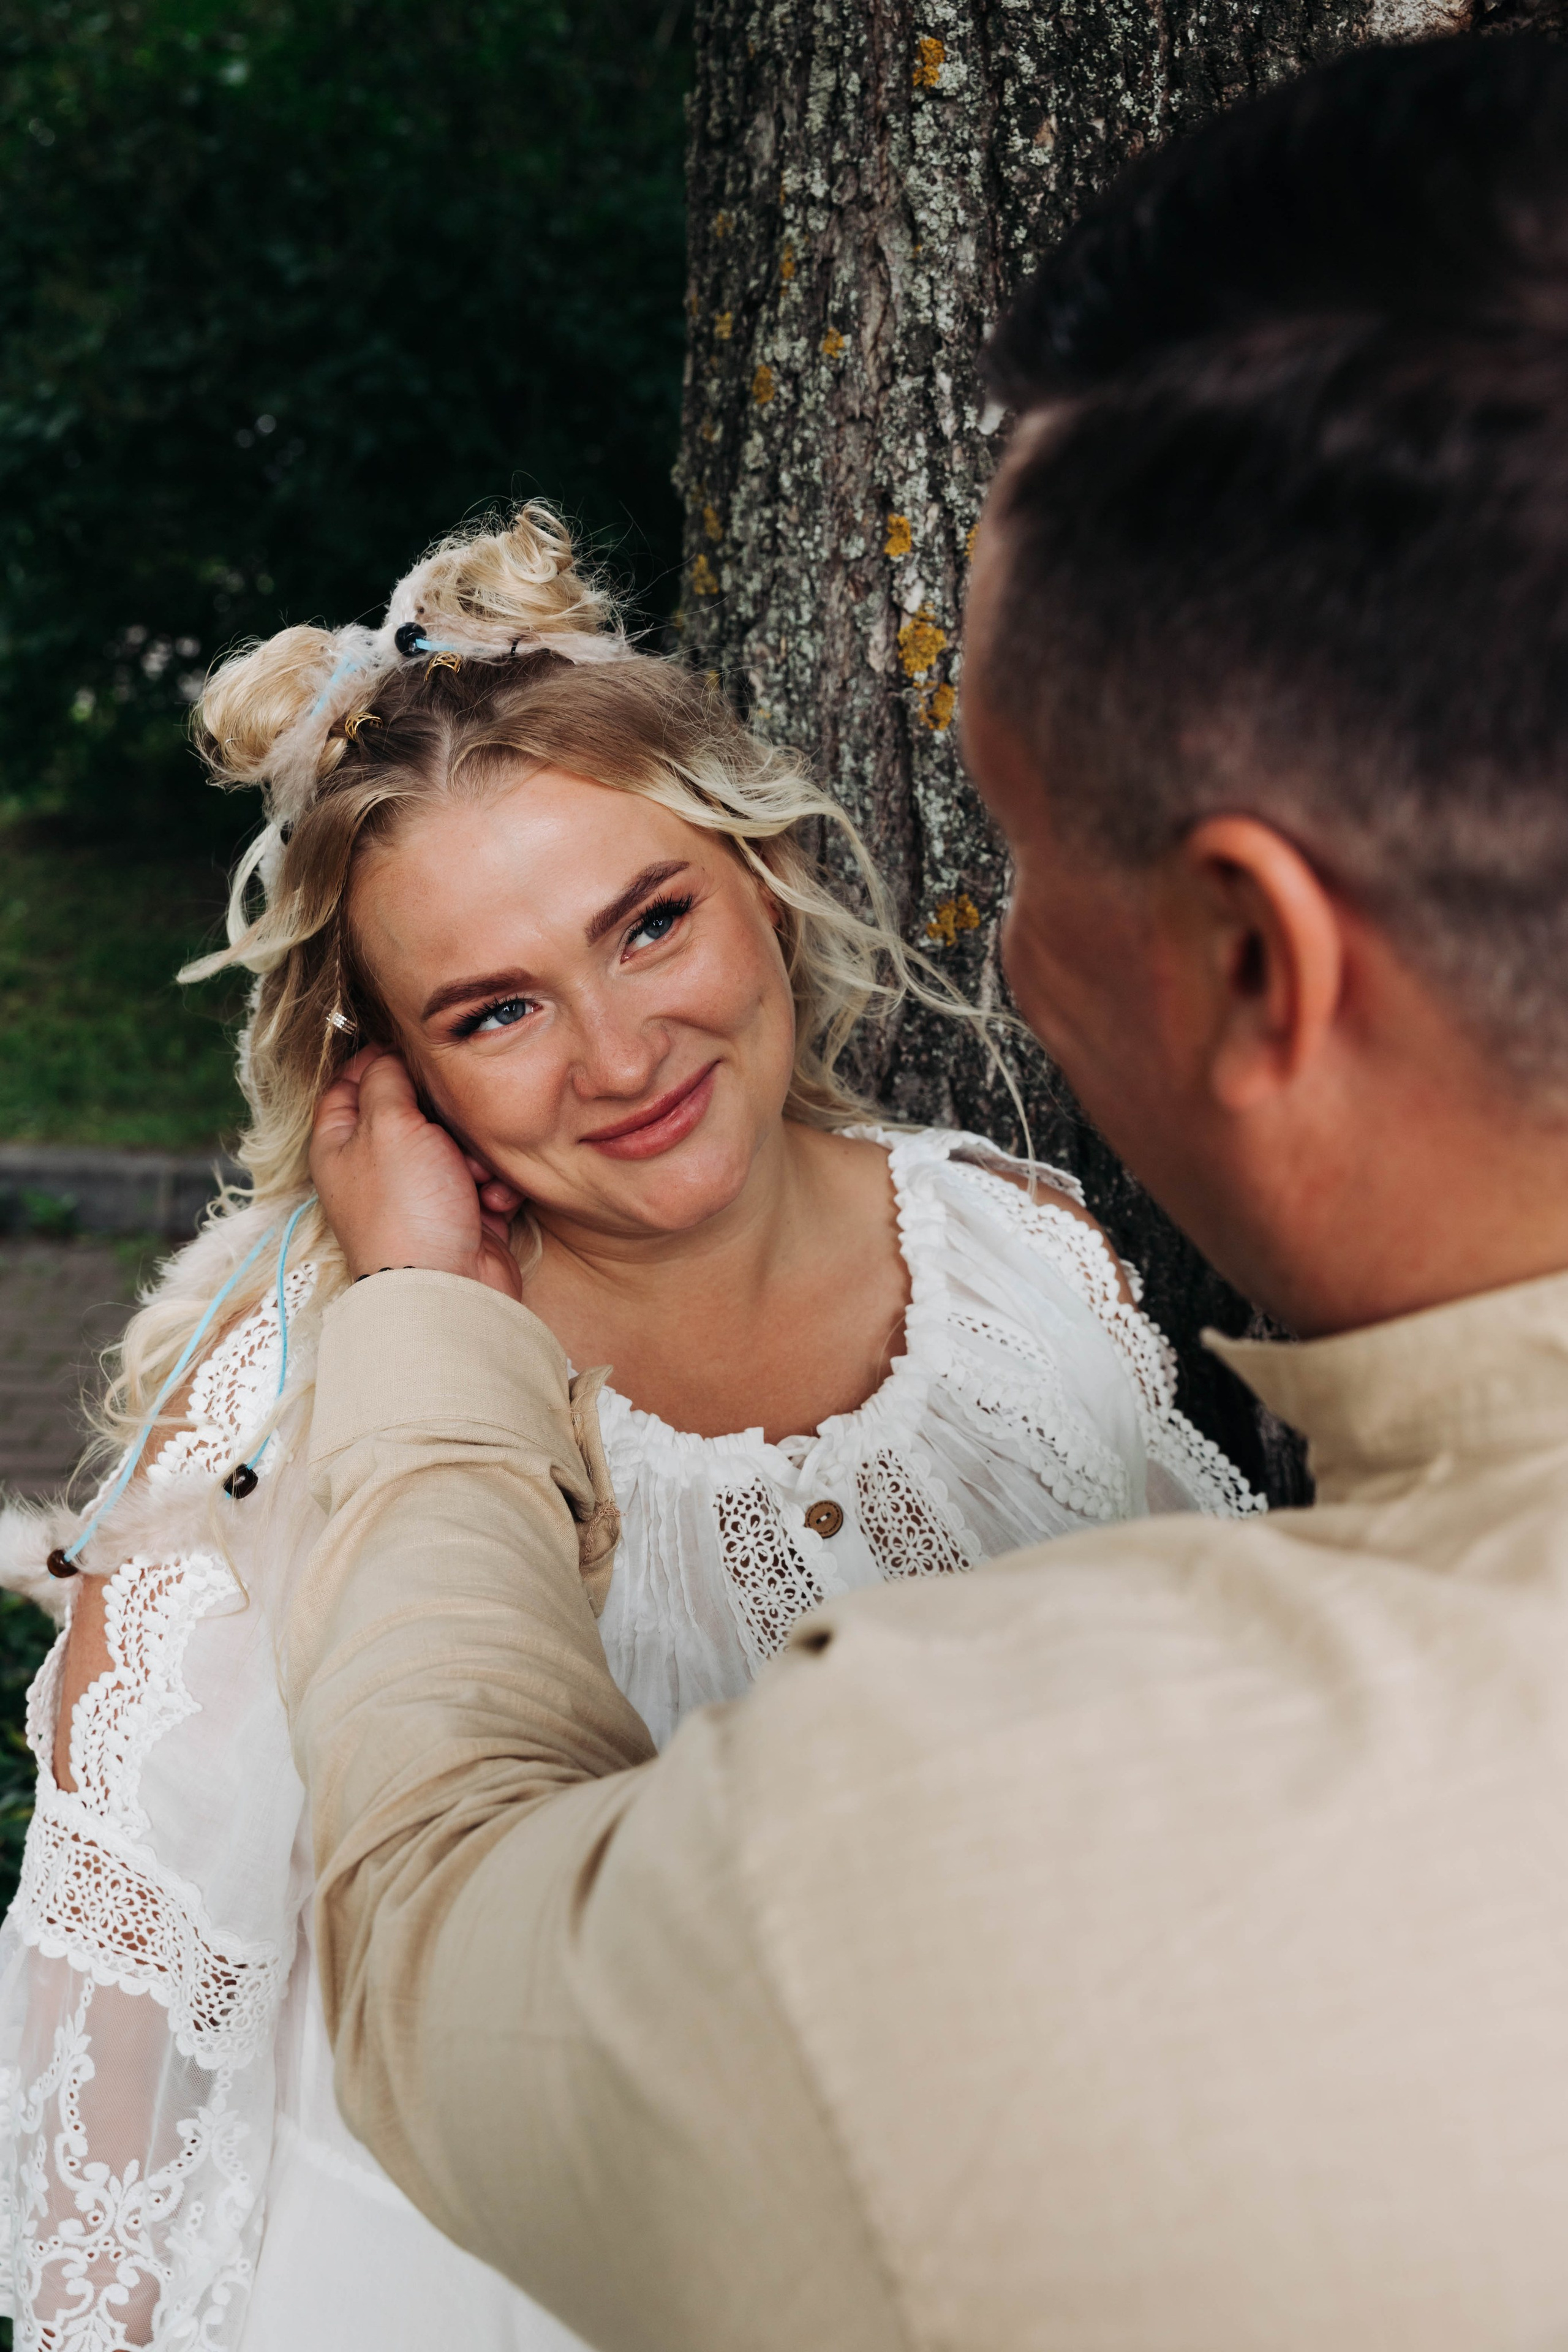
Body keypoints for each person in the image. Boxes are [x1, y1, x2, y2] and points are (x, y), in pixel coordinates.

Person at [284, 31, 1568, 2352]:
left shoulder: (961, 1858)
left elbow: (456, 1934)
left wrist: (414, 1355)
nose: (999, 935)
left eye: (1032, 832)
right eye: (490, 1007)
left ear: (1259, 961)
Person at [0, 508, 1250, 2350]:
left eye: (649, 921)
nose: (618, 1053)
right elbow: (108, 2098)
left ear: (759, 872)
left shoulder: (1014, 1260)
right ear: (391, 1075)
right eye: (497, 1010)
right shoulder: (287, 1431)